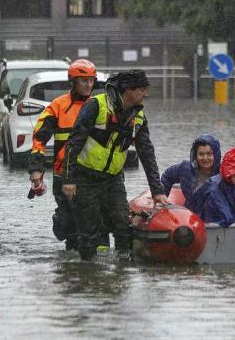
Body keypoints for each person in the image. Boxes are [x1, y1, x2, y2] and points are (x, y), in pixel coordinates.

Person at [63, 70, 167, 261]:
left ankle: (123, 269)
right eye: (142, 90)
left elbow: (147, 153)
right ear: (128, 90)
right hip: (85, 178)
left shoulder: (138, 116)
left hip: (113, 180)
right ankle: (87, 273)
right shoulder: (96, 105)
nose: (146, 94)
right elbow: (73, 144)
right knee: (89, 231)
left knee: (123, 226)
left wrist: (157, 190)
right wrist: (68, 180)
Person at [28, 59, 99, 251]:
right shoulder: (57, 106)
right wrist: (36, 171)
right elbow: (39, 139)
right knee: (70, 227)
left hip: (92, 174)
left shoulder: (100, 105)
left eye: (91, 80)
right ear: (73, 82)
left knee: (93, 226)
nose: (89, 85)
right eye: (84, 80)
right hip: (63, 174)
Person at [196, 147, 235, 227]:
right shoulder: (215, 186)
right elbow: (224, 214)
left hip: (233, 221)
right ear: (228, 172)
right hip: (210, 224)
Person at [160, 134, 221, 213]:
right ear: (195, 155)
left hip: (216, 217)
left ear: (216, 155)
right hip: (190, 216)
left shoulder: (223, 172)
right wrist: (163, 195)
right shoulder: (185, 168)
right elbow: (167, 176)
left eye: (209, 154)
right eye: (201, 154)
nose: (205, 158)